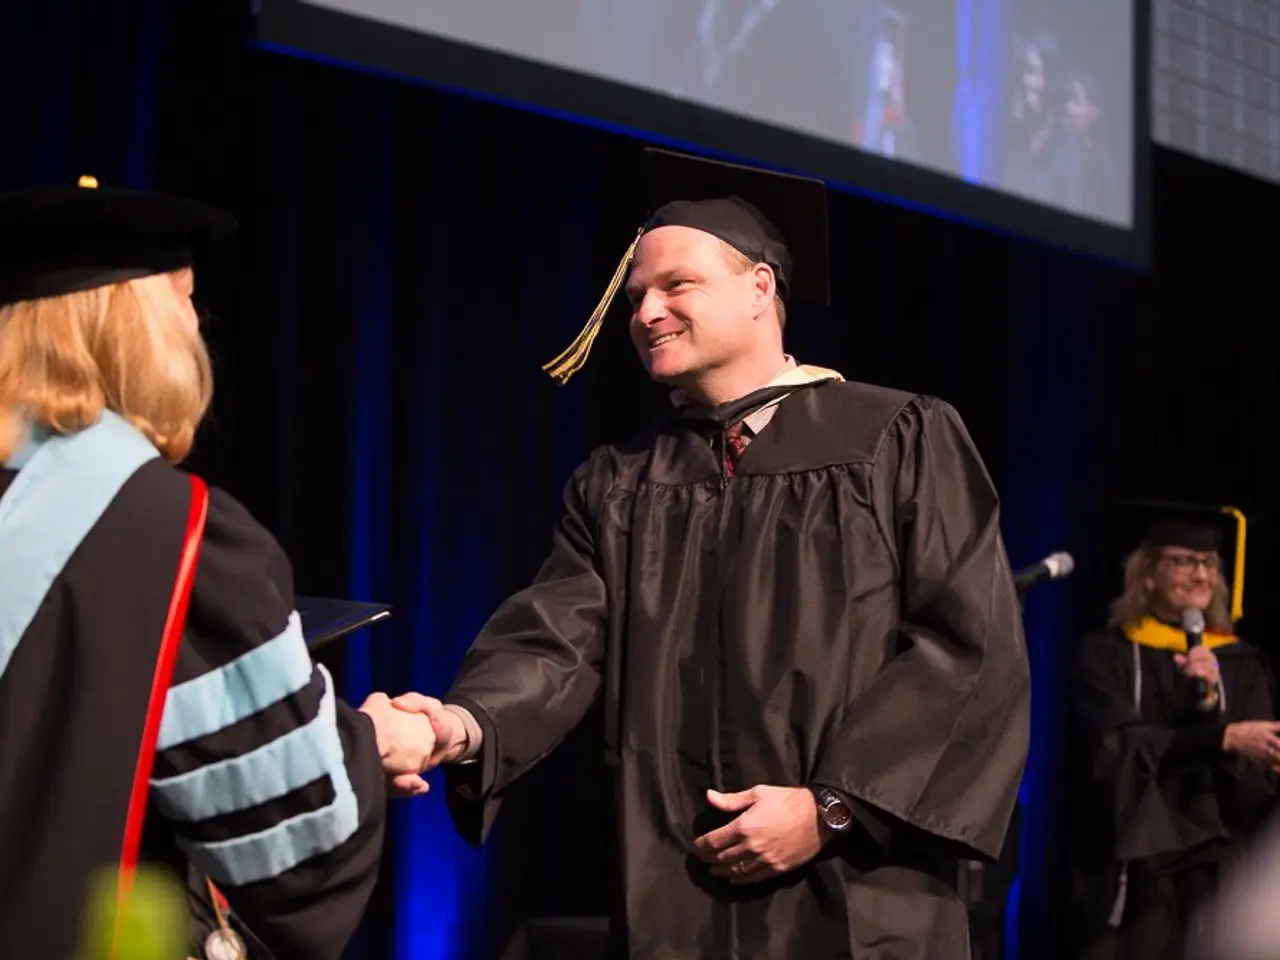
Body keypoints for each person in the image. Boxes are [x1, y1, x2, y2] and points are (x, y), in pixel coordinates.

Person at [397, 147, 1031, 959]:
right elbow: (555, 641)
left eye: (676, 285)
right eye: (636, 298)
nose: (646, 312)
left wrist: (832, 809)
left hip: (859, 895)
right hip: (679, 898)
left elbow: (968, 650)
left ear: (761, 287)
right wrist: (457, 724)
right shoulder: (621, 483)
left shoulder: (895, 438)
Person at [0, 178, 436, 960]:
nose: (197, 327)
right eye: (185, 300)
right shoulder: (167, 534)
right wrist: (368, 743)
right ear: (136, 327)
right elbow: (293, 853)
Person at [1065, 505, 1279, 960]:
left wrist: (1211, 707)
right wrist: (1218, 738)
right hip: (1134, 871)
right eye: (1184, 560)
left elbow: (1254, 788)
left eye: (1209, 564)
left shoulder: (1240, 666)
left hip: (1220, 873)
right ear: (1147, 573)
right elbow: (1115, 748)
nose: (1201, 575)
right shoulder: (1107, 656)